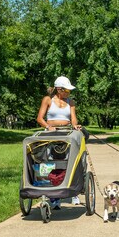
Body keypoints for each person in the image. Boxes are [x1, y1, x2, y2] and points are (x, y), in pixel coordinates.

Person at [36, 76, 89, 209]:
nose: (68, 93)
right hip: (51, 133)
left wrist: (75, 126)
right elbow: (40, 118)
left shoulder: (70, 102)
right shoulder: (48, 100)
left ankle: (74, 190)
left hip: (66, 132)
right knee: (51, 161)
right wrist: (48, 127)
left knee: (70, 159)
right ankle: (54, 195)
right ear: (59, 89)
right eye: (67, 90)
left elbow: (73, 119)